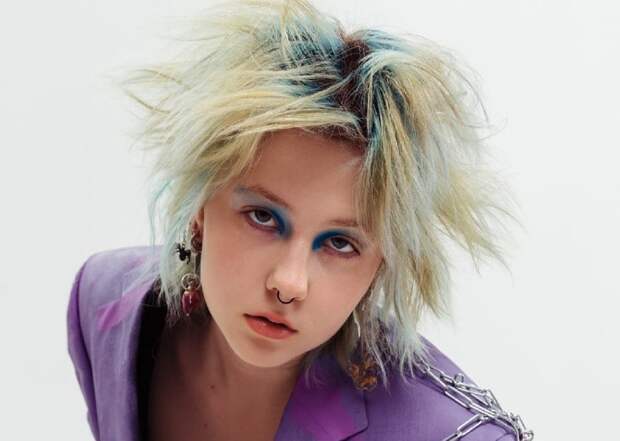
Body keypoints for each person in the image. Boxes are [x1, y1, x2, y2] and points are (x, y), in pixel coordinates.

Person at [67, 1, 533, 440]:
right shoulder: (106, 305)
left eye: (340, 243)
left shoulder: (453, 433)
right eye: (263, 217)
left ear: (381, 264)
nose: (289, 284)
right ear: (199, 206)